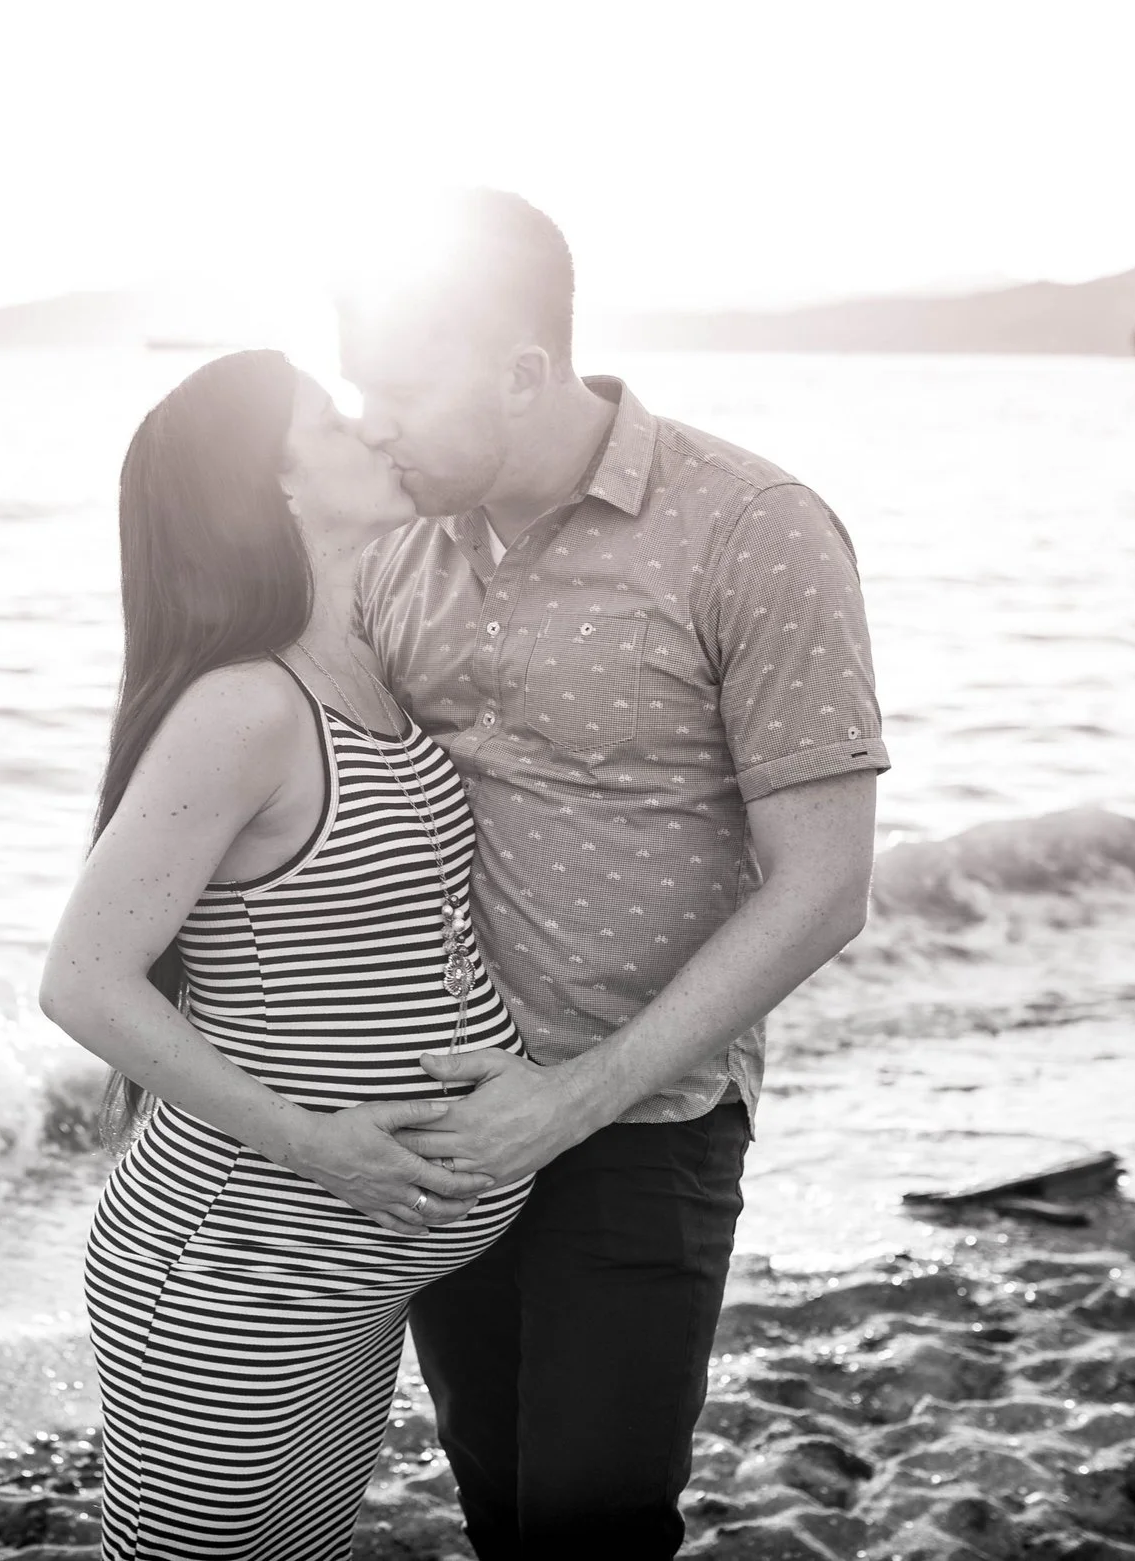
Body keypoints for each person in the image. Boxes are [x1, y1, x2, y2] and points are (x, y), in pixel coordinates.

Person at [341, 190, 887, 1560]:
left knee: (595, 1522)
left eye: (401, 386)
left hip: (644, 1119)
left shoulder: (753, 526)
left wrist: (570, 1100)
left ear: (527, 370)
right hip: (445, 1122)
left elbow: (823, 884)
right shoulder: (396, 546)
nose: (370, 422)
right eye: (360, 387)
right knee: (501, 1501)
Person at [39, 349, 535, 1560]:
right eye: (333, 420)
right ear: (275, 486)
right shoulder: (245, 708)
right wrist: (320, 1145)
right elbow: (82, 980)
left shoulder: (368, 671)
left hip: (349, 1269)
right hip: (231, 1271)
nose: (372, 426)